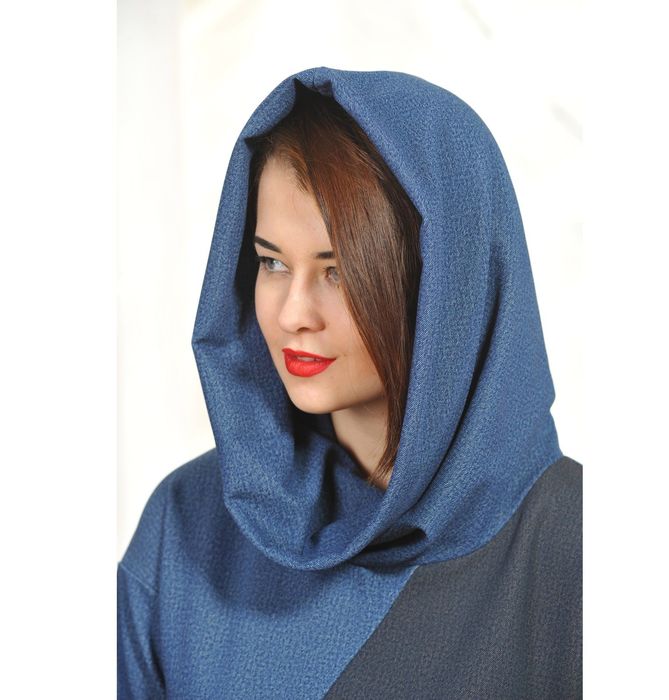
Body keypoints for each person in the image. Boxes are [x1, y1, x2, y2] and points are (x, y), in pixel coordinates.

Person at [117, 67, 582, 699]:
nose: (293, 314)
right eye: (272, 262)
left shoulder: (575, 547)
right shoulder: (191, 527)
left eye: (337, 271)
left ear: (448, 283)